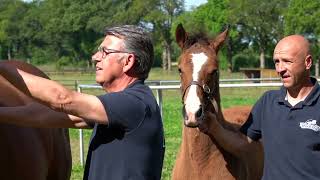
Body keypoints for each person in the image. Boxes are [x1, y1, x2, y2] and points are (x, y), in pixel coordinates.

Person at [0, 25, 165, 180]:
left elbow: (62, 99)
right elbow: (44, 115)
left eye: (105, 52)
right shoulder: (117, 108)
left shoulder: (133, 103)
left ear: (128, 61)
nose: (95, 57)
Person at [199, 34, 320, 180]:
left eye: (287, 61)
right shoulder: (268, 101)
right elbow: (242, 144)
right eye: (276, 62)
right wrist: (214, 127)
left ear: (307, 62)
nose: (280, 69)